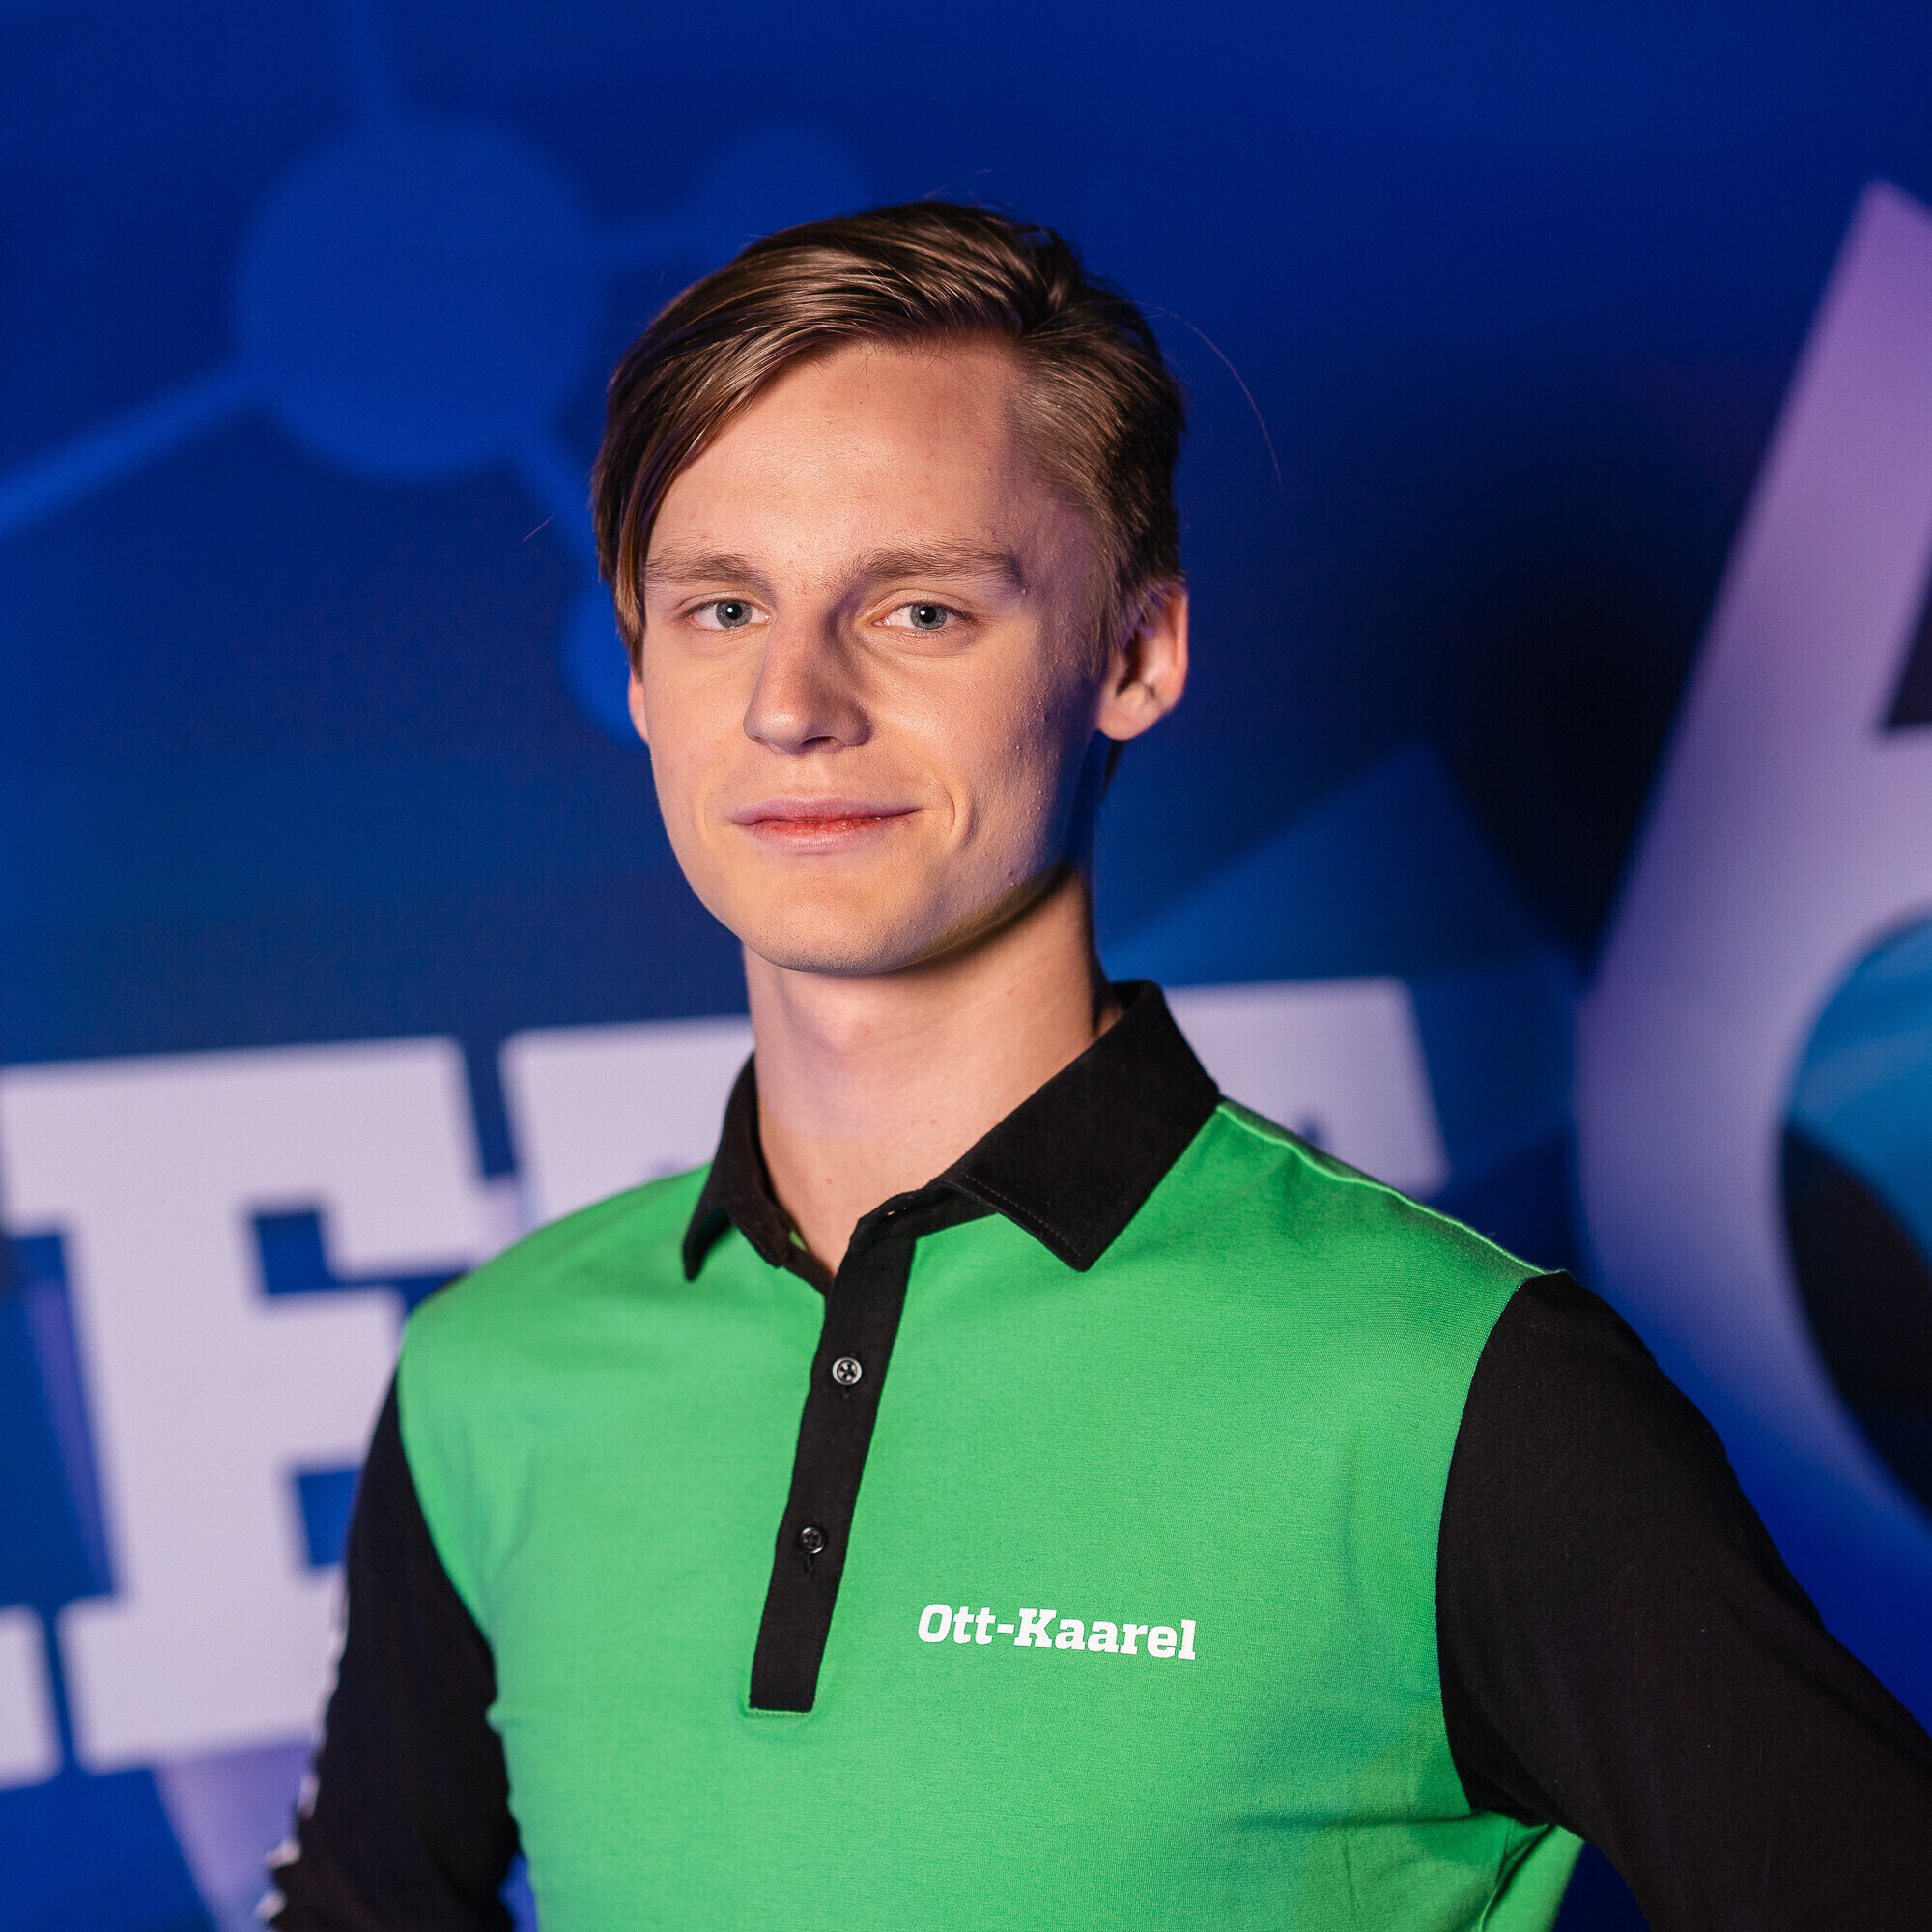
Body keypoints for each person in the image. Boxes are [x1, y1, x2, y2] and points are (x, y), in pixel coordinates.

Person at [264, 202, 1932, 1932]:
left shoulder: (1458, 1392)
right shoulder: (492, 1375)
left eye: (918, 607)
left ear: (1134, 653)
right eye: (722, 607)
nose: (793, 704)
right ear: (638, 668)